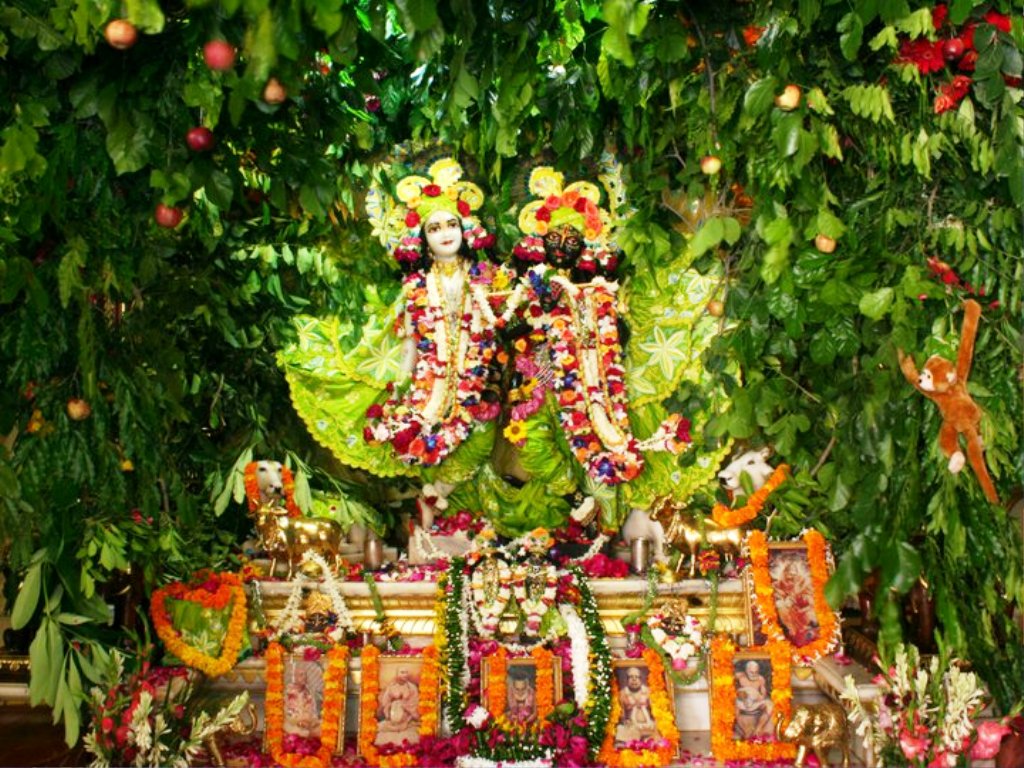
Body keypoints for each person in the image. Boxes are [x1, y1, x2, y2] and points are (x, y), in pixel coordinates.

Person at [375, 666, 421, 746]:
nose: (405, 675)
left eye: (406, 672)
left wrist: (405, 706)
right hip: (392, 720)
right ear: (397, 674)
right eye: (402, 672)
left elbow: (415, 704)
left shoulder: (412, 688)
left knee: (414, 733)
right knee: (379, 729)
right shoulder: (391, 687)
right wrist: (390, 707)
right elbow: (385, 702)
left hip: (407, 720)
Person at [614, 666, 656, 745]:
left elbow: (655, 711)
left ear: (641, 679)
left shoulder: (648, 691)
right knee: (621, 729)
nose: (634, 680)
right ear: (627, 680)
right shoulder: (622, 693)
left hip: (648, 724)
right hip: (631, 726)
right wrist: (625, 720)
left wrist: (651, 720)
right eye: (631, 677)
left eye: (636, 677)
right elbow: (621, 713)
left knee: (658, 728)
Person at [734, 659, 774, 740]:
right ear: (746, 671)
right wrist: (742, 695)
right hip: (742, 702)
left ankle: (758, 728)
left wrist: (757, 697)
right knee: (733, 706)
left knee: (769, 704)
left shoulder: (760, 679)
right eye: (752, 672)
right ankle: (744, 731)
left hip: (755, 702)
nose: (754, 674)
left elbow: (763, 695)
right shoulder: (740, 676)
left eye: (756, 672)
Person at [284, 663, 321, 739]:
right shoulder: (288, 692)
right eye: (301, 675)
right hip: (292, 725)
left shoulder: (309, 693)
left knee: (322, 728)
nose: (304, 677)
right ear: (295, 677)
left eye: (305, 675)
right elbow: (286, 714)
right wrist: (299, 722)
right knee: (298, 731)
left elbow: (314, 713)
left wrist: (310, 722)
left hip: (308, 725)